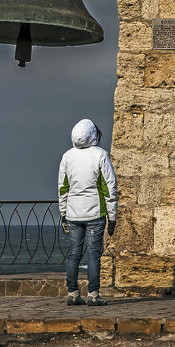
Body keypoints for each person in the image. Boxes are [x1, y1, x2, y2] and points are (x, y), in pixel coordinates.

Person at [57, 118, 117, 306]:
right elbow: (109, 186)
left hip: (73, 214)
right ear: (94, 135)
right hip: (95, 214)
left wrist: (63, 213)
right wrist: (112, 216)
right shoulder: (100, 155)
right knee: (93, 254)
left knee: (74, 253)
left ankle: (73, 293)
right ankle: (93, 294)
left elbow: (63, 187)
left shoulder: (67, 156)